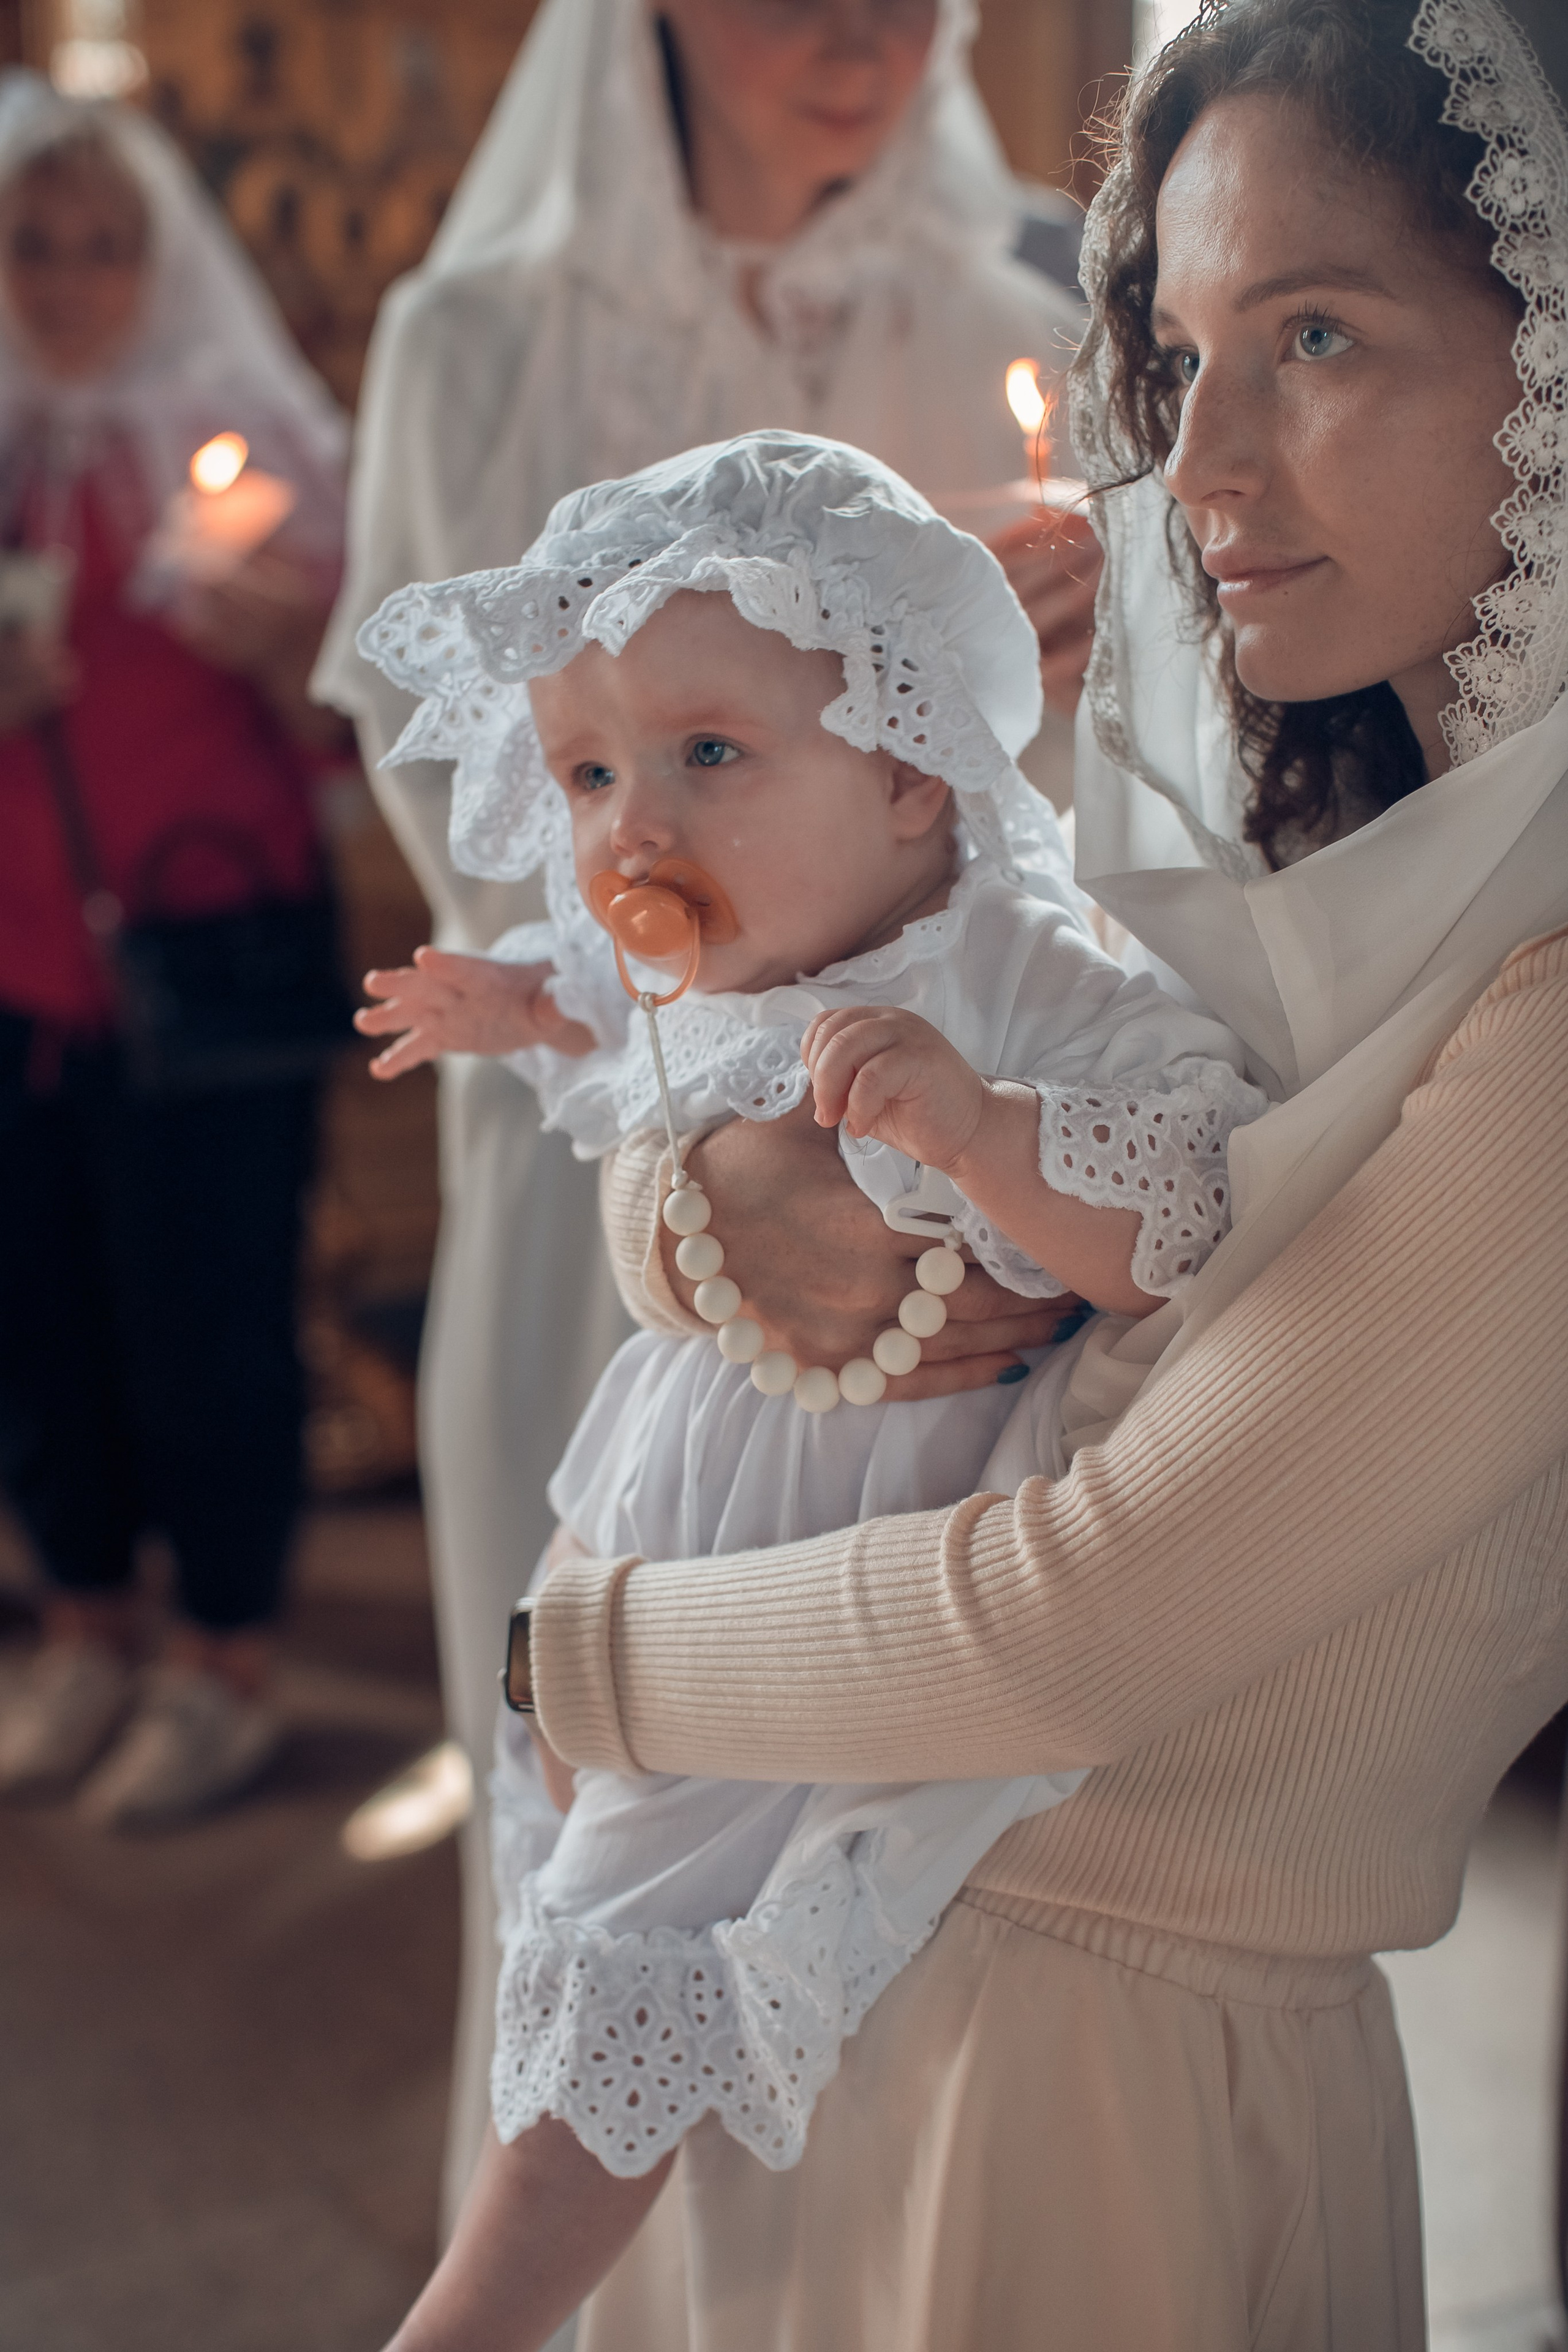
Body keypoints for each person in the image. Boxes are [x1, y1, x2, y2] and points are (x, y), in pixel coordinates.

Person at [469, 0, 1568, 2341]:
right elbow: (810, 1048)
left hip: (1092, 2070)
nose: (1209, 471)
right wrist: (707, 1218)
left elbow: (1094, 1612)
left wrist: (572, 1654)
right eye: (1185, 354)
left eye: (1323, 336)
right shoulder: (1288, 829)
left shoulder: (1547, 994)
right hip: (835, 1981)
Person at [353, 429, 1267, 2344]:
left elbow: (1186, 1201)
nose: (625, 829)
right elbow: (601, 998)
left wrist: (996, 1141)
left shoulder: (1016, 965)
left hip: (840, 1568)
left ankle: (470, 2317)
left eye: (704, 755)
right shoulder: (715, 959)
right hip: (665, 1524)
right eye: (589, 770)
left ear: (917, 768)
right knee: (594, 1887)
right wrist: (503, 1005)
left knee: (635, 1947)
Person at [314, 0, 1098, 2213]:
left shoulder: (1029, 299)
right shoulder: (474, 339)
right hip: (601, 1172)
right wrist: (703, 1162)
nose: (859, 32)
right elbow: (486, 816)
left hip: (945, 1183)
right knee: (597, 1764)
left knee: (898, 1829)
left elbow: (1096, 850)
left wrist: (1066, 675)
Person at [0, 77, 349, 1828]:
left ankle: (223, 1656)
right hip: (12, 972)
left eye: (103, 248)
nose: (66, 283)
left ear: (163, 260)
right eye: (32, 246)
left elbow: (369, 737)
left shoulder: (257, 455)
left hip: (208, 957)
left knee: (207, 1324)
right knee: (36, 1326)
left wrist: (279, 645)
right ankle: (85, 1628)